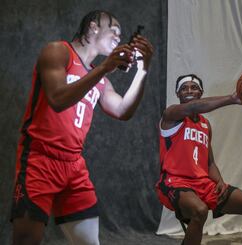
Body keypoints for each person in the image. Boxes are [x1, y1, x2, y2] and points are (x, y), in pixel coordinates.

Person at [10, 10, 153, 245]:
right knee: (26, 240)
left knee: (89, 243)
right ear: (94, 27)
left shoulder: (101, 79)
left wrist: (142, 71)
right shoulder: (58, 51)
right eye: (114, 30)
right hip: (40, 158)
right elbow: (57, 99)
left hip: (74, 165)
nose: (120, 37)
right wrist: (104, 68)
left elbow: (122, 111)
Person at [155, 74, 242, 245]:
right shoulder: (171, 114)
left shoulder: (205, 125)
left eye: (194, 87)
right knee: (200, 211)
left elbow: (209, 163)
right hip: (174, 182)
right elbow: (193, 107)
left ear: (201, 93)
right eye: (184, 88)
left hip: (202, 183)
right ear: (177, 94)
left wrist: (219, 180)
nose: (189, 90)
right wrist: (232, 99)